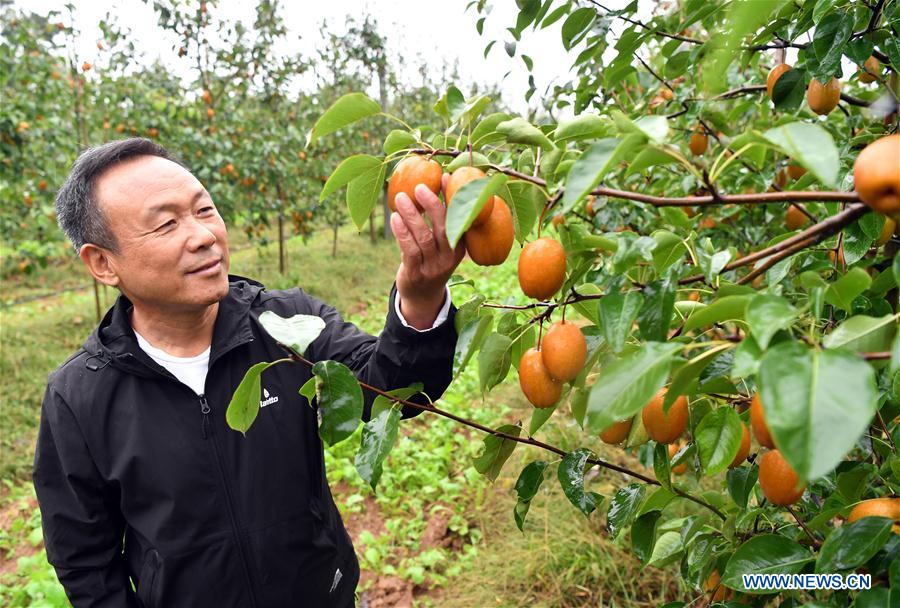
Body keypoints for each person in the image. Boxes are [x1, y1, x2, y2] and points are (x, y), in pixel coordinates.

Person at [32, 138, 465, 607]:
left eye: (204, 210)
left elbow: (391, 391)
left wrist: (421, 300)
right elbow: (85, 562)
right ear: (102, 262)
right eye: (166, 224)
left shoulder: (286, 325)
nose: (203, 236)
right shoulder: (80, 396)